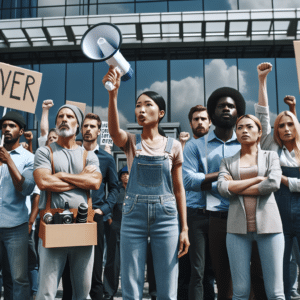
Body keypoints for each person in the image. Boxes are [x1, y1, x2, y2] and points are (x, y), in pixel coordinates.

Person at [103, 66, 189, 300]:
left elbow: (179, 189)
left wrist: (184, 228)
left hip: (167, 216)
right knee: (131, 285)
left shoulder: (174, 146)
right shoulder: (131, 142)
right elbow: (113, 131)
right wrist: (113, 94)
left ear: (161, 113)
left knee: (168, 286)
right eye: (138, 105)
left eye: (148, 105)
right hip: (133, 215)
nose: (141, 110)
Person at [183, 87, 267, 300]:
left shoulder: (247, 143)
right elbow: (189, 181)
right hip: (214, 219)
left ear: (238, 112)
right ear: (213, 113)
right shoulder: (194, 146)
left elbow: (260, 176)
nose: (227, 109)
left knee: (252, 277)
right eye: (222, 106)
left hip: (245, 215)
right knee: (221, 279)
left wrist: (212, 179)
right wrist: (222, 175)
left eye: (231, 106)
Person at [33, 104, 102, 299]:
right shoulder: (45, 152)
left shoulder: (88, 155)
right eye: (60, 116)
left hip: (83, 225)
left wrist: (61, 175)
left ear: (78, 125)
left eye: (70, 116)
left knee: (83, 292)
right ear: (55, 123)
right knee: (46, 292)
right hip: (53, 225)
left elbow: (95, 182)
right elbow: (43, 180)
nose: (64, 119)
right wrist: (80, 179)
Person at [217, 114, 284, 299]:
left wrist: (236, 186)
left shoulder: (271, 156)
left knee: (276, 292)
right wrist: (256, 179)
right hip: (237, 231)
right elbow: (223, 188)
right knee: (240, 292)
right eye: (239, 127)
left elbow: (273, 184)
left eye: (249, 126)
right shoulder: (227, 161)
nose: (244, 130)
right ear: (235, 133)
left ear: (259, 131)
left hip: (270, 229)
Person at [256, 61, 300, 300]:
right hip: (278, 212)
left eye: (290, 124)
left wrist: (281, 178)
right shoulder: (271, 148)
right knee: (282, 264)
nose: (285, 128)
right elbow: (262, 117)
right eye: (280, 125)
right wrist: (262, 81)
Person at [0, 110, 36, 299]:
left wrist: (9, 162)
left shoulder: (29, 158)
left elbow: (26, 189)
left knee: (19, 278)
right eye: (4, 125)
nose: (7, 129)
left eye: (12, 126)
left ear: (21, 131)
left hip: (16, 228)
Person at [181, 104, 214, 300]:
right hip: (194, 213)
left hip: (219, 213)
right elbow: (189, 182)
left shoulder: (219, 146)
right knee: (196, 272)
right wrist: (217, 176)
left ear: (210, 122)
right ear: (191, 123)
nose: (200, 122)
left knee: (213, 272)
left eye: (203, 118)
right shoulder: (188, 149)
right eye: (196, 119)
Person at [103, 166, 129, 300]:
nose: (125, 176)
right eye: (123, 174)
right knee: (113, 261)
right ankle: (109, 292)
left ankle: (129, 293)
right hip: (116, 228)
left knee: (131, 263)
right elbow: (108, 207)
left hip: (131, 229)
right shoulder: (116, 191)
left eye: (128, 174)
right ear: (119, 177)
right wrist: (111, 223)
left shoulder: (135, 191)